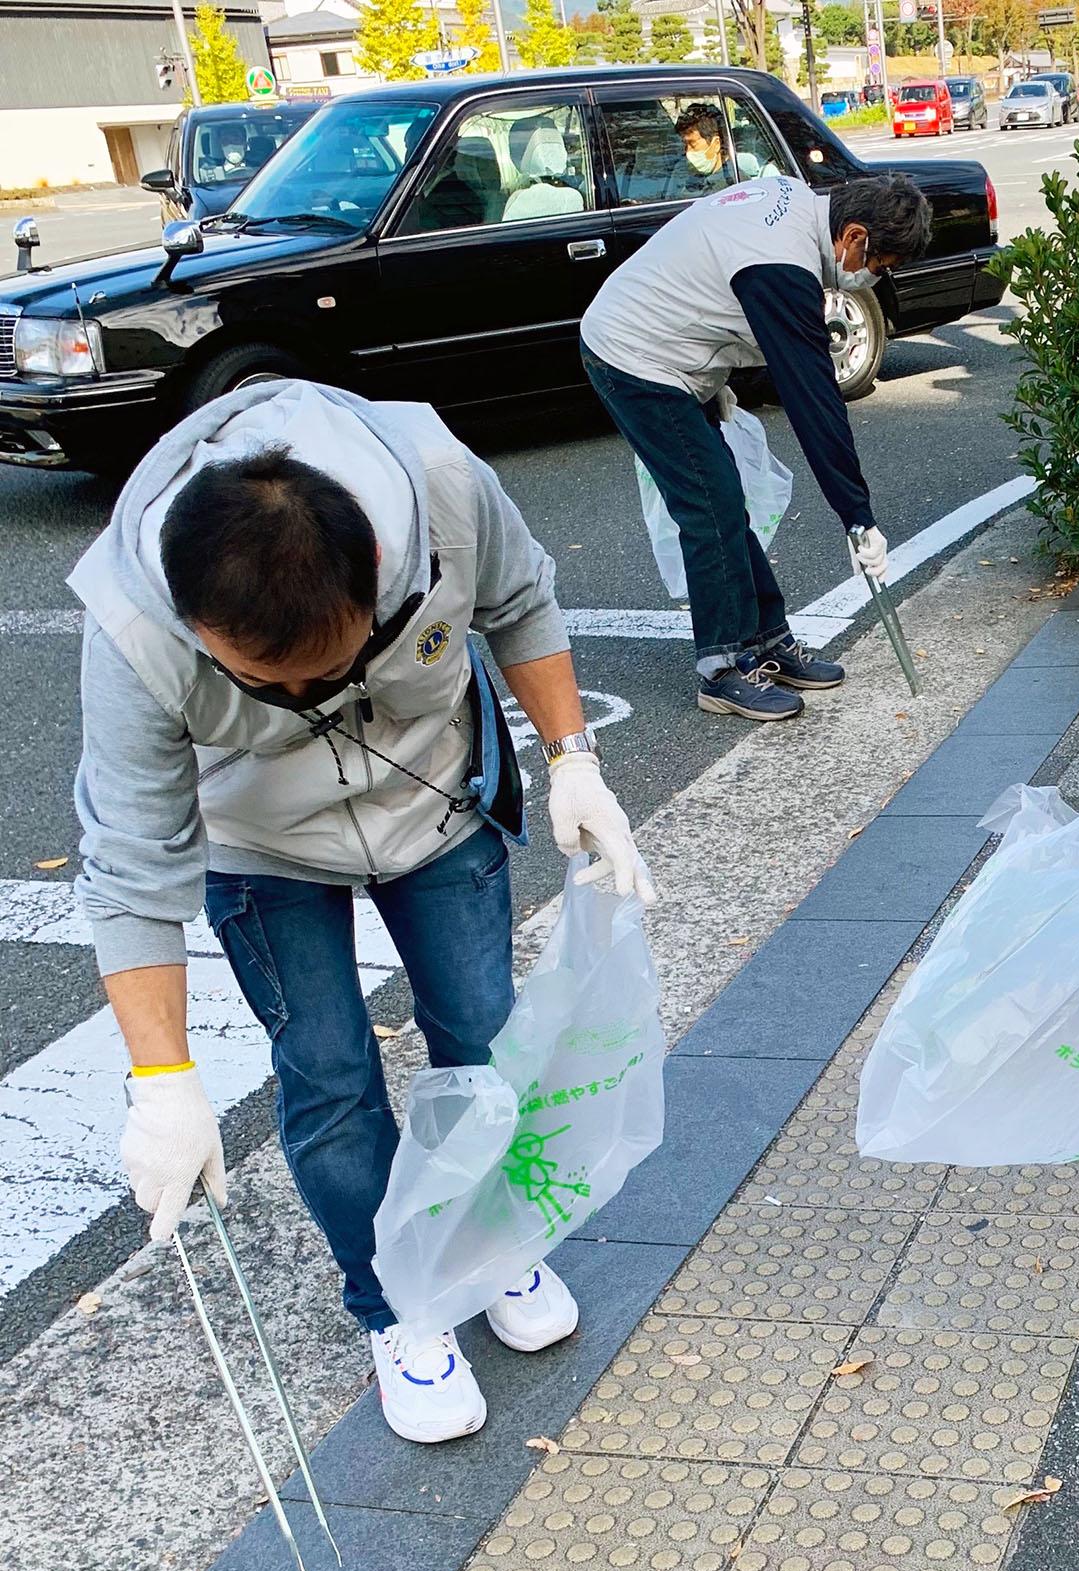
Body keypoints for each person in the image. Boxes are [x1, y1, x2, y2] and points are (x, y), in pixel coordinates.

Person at [70, 380, 654, 1445]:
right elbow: (130, 867)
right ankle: (395, 1305)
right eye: (262, 686)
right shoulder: (133, 627)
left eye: (325, 673)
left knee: (481, 1029)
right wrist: (162, 1082)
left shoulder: (439, 488)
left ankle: (490, 1238)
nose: (300, 701)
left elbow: (520, 599)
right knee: (329, 1072)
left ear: (376, 577)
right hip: (259, 837)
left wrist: (575, 759)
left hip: (433, 796)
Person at [579, 174, 930, 721]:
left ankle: (767, 641)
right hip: (634, 356)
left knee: (725, 496)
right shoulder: (781, 267)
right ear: (854, 236)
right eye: (878, 265)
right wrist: (856, 515)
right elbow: (814, 402)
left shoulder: (797, 204)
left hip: (672, 351)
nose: (872, 279)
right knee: (710, 503)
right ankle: (720, 669)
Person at [663, 101, 733, 199]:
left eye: (692, 144)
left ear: (716, 144)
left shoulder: (734, 185)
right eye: (685, 145)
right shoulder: (683, 175)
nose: (687, 153)